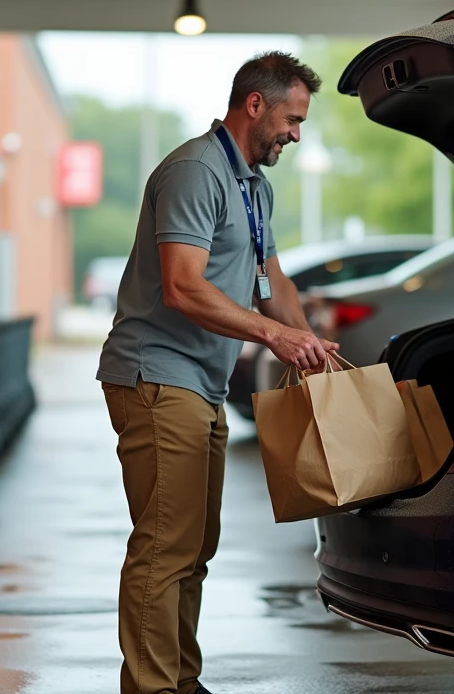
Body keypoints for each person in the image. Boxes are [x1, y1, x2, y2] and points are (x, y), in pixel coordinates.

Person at [96, 51, 337, 694]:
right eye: (291, 118)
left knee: (195, 545)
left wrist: (309, 344)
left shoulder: (253, 185)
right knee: (165, 543)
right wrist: (273, 335)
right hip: (156, 376)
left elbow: (272, 280)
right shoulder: (195, 171)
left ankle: (180, 679)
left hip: (200, 382)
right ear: (253, 105)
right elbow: (181, 287)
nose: (295, 133)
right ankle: (151, 686)